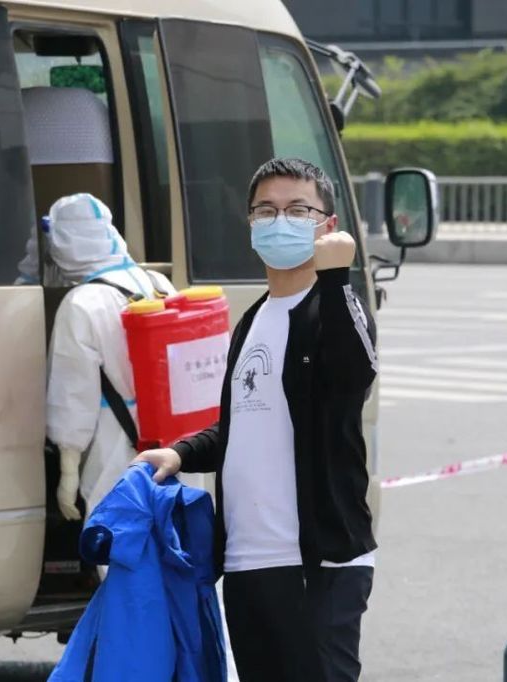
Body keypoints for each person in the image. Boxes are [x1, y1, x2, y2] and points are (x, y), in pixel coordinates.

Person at [136, 158, 378, 682]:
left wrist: (336, 277)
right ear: (249, 223)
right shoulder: (253, 318)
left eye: (298, 210)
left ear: (328, 225)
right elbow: (242, 425)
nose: (279, 221)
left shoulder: (334, 307)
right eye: (265, 211)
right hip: (248, 561)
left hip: (317, 563)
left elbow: (352, 378)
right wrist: (181, 452)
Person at [45, 193, 176, 521]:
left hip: (117, 448)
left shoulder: (81, 302)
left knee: (121, 543)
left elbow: (73, 397)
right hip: (174, 443)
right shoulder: (158, 282)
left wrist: (68, 474)